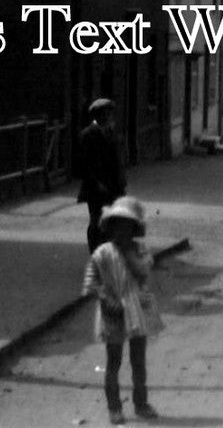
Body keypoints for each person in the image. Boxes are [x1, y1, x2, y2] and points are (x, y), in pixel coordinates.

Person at [82, 196, 163, 425]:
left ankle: (141, 402)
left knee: (138, 359)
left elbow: (144, 273)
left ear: (134, 230)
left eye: (127, 227)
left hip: (137, 308)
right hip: (112, 310)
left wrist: (129, 254)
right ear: (110, 228)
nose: (121, 231)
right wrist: (105, 298)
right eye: (117, 225)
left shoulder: (141, 251)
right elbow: (90, 283)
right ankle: (114, 407)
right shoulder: (102, 253)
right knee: (113, 361)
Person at [78, 98, 126, 253]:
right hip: (95, 186)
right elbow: (84, 164)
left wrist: (121, 180)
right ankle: (95, 251)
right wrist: (95, 182)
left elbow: (117, 159)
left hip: (113, 185)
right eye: (104, 113)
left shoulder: (112, 133)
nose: (108, 116)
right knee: (96, 221)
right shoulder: (88, 134)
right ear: (96, 115)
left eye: (110, 113)